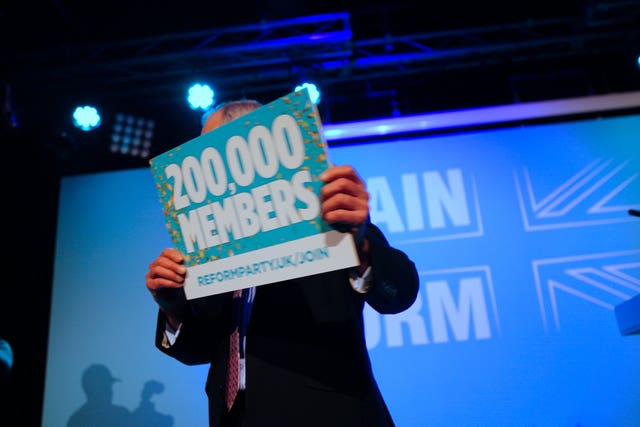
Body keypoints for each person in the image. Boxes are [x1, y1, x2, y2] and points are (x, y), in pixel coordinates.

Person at [145, 98, 420, 427]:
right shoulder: (210, 247)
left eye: (209, 150)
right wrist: (175, 309)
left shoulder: (325, 215)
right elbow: (202, 350)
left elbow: (399, 294)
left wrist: (360, 244)